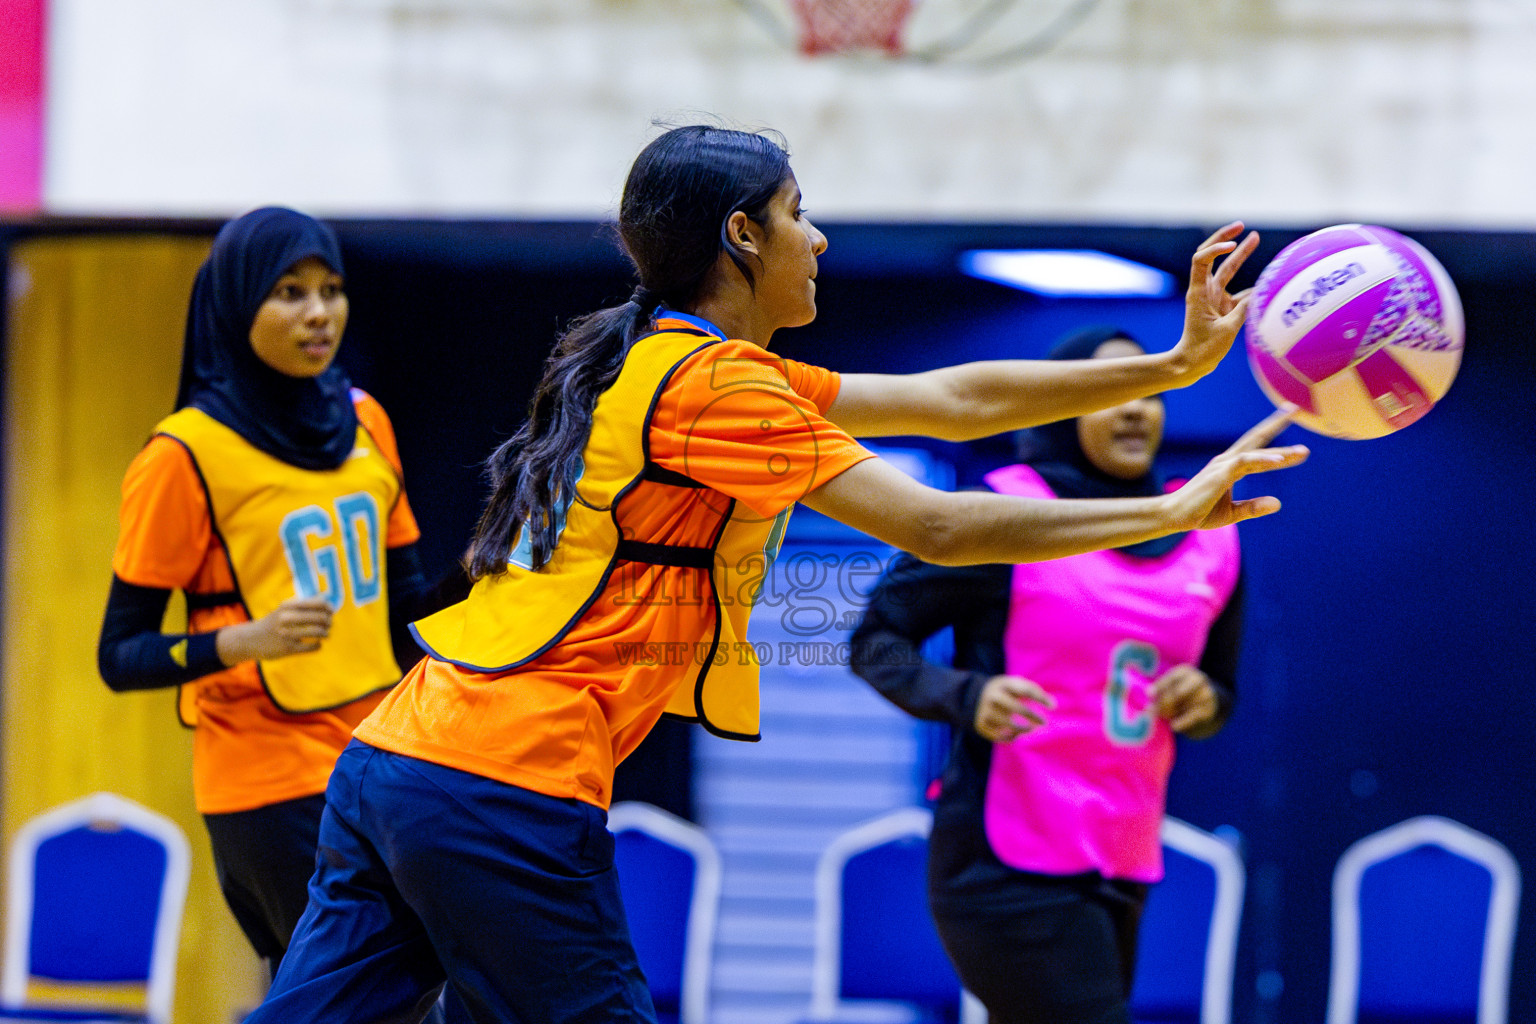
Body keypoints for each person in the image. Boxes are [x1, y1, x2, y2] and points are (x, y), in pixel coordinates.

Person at [244, 125, 1306, 1024]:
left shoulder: (669, 356)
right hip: (500, 780)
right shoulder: (717, 391)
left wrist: (1173, 363)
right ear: (742, 235)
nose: (820, 236)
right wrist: (1165, 510)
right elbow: (935, 524)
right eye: (801, 211)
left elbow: (953, 400)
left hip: (398, 755)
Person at [96, 207, 462, 979]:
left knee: (399, 989)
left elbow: (404, 620)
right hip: (266, 776)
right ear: (237, 304)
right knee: (360, 990)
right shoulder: (183, 454)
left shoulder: (367, 423)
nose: (318, 312)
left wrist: (489, 573)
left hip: (376, 761)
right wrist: (242, 640)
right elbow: (118, 654)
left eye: (331, 289)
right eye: (289, 293)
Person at [849, 324, 1252, 1024]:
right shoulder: (1005, 512)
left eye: (1152, 392)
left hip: (1122, 855)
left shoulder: (1210, 530)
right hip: (1002, 862)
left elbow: (1221, 693)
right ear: (1062, 406)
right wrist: (966, 695)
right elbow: (876, 641)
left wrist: (1203, 699)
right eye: (1114, 392)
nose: (1136, 409)